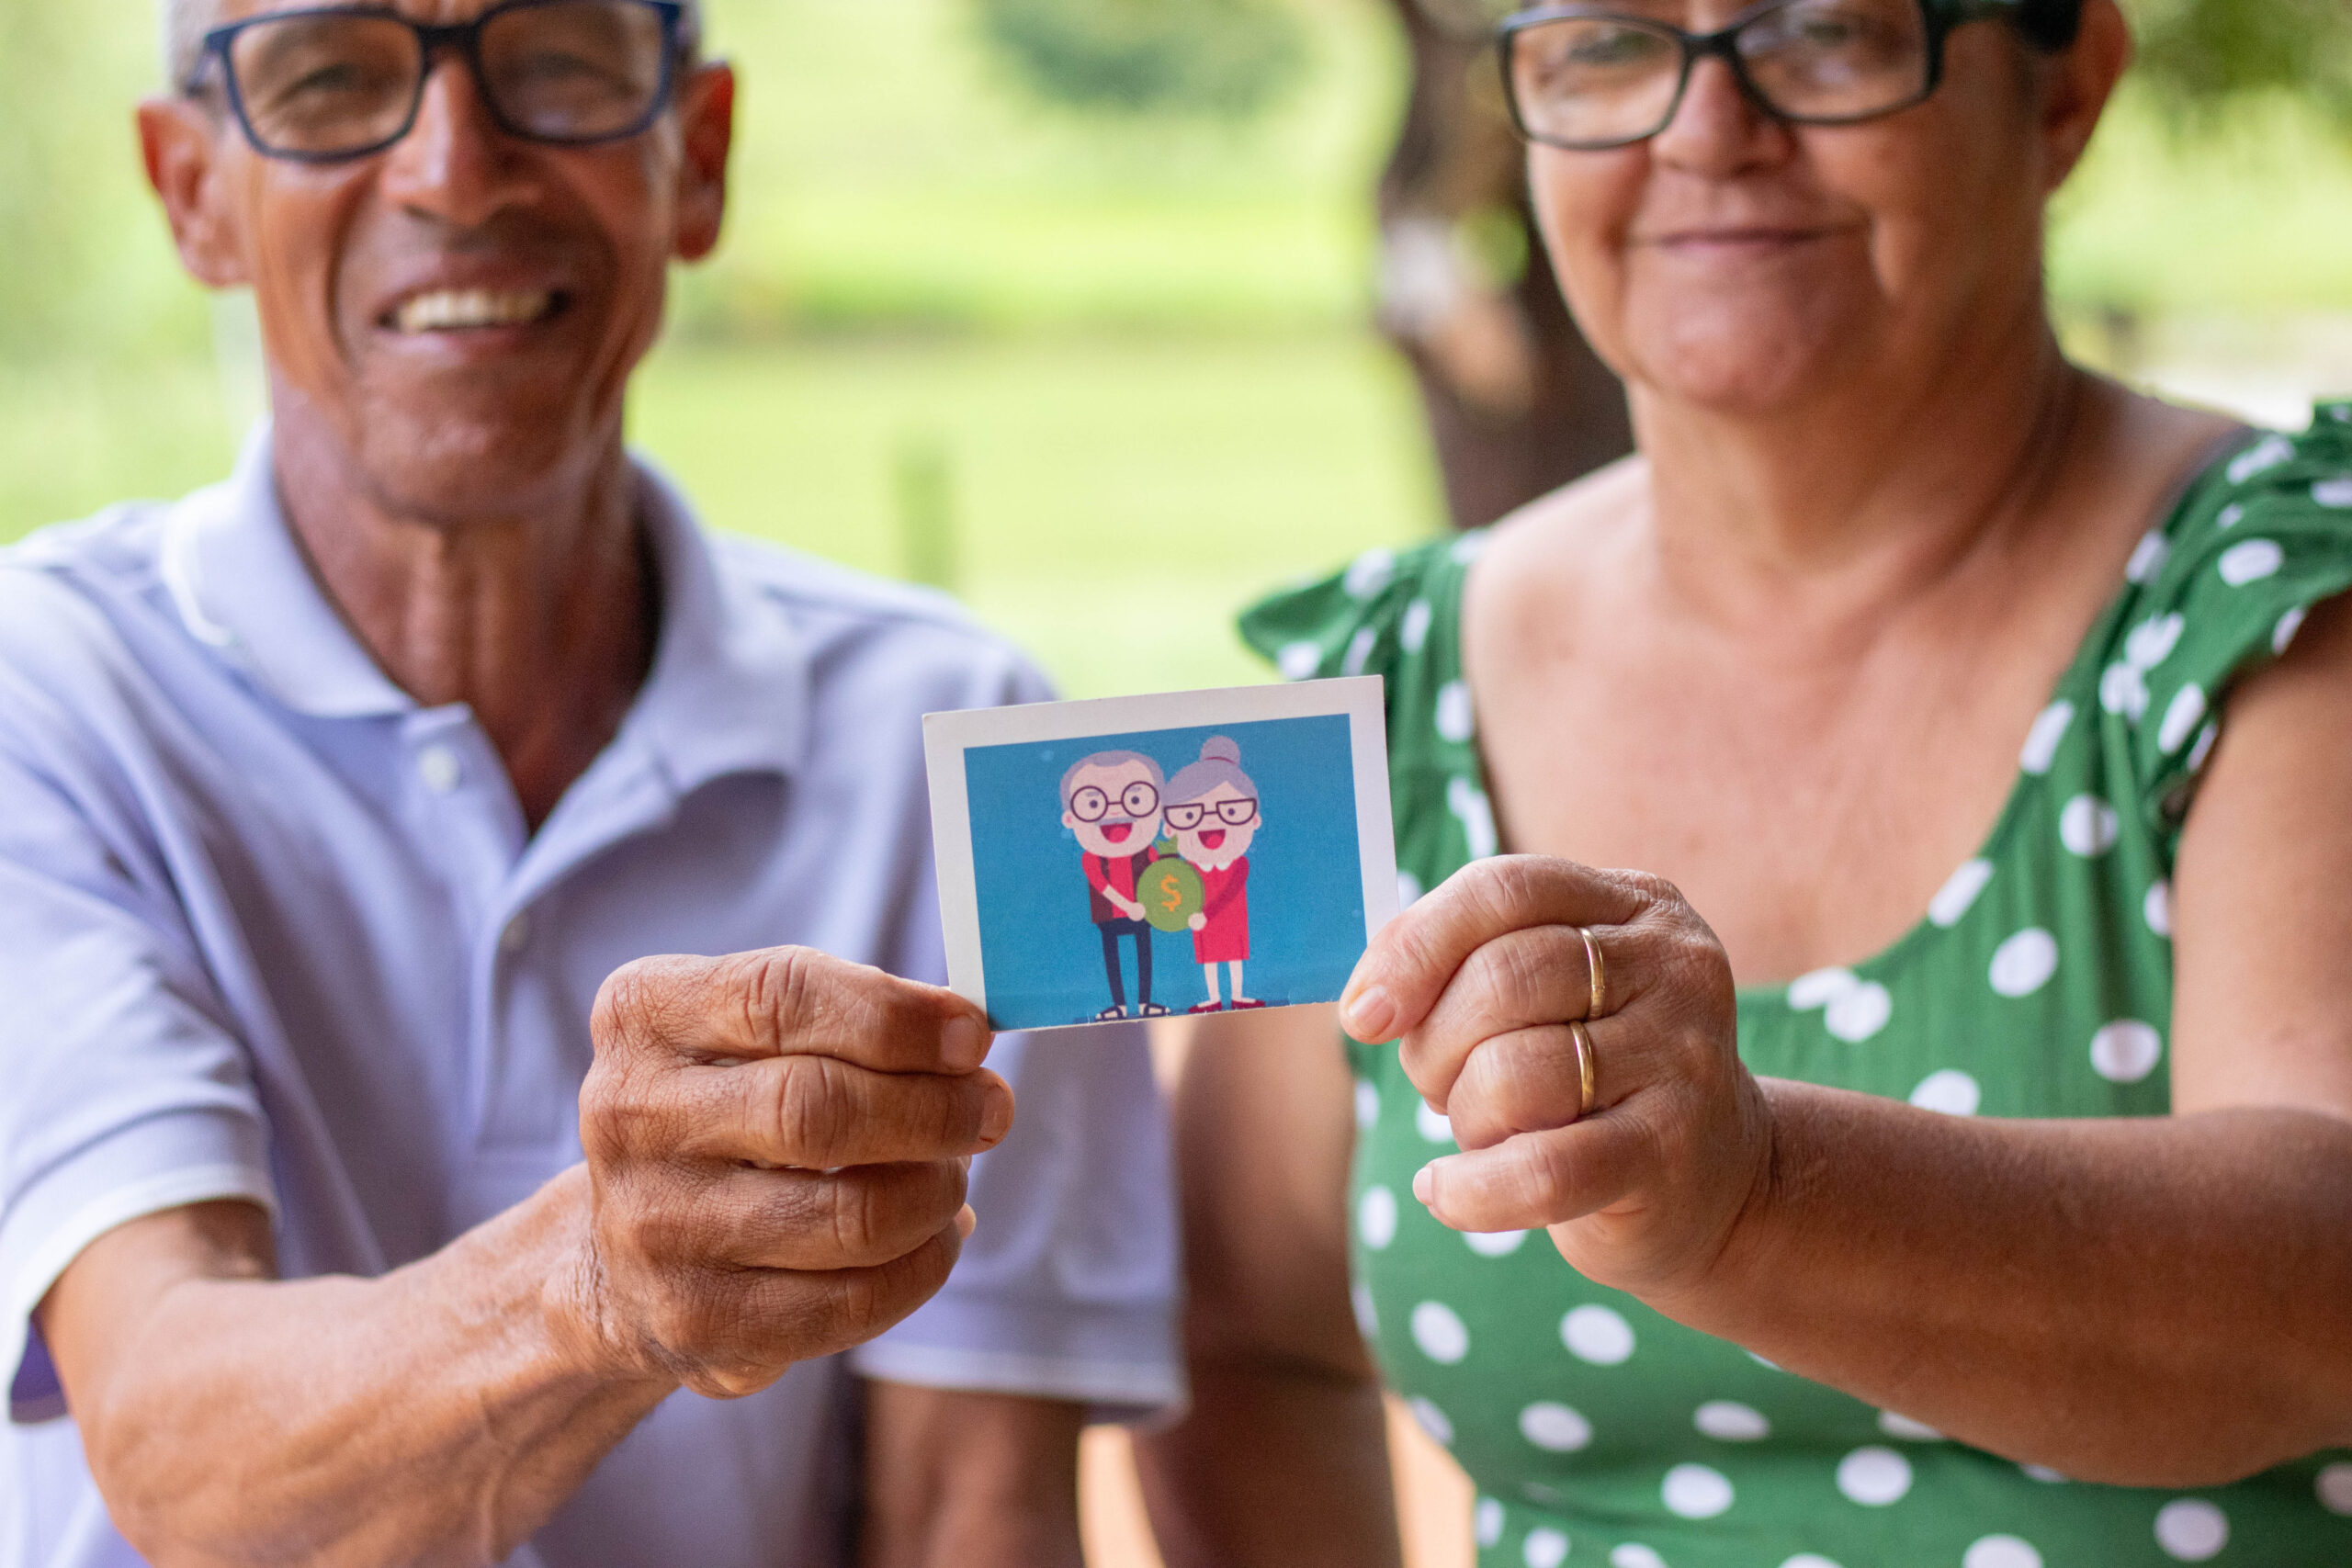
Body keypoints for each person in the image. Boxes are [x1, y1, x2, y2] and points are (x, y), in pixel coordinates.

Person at [1137, 0, 2352, 1563]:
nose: (1706, 128)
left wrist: (1756, 1195)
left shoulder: (2280, 596)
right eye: (1605, 47)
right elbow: (1256, 1343)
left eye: (1825, 35)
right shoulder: (1389, 684)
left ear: (2069, 89)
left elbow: (2325, 1265)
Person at [0, 2, 1180, 1564]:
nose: (453, 169)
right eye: (331, 77)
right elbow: (169, 1434)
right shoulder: (46, 694)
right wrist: (599, 1283)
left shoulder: (952, 734)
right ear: (192, 192)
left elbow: (970, 1512)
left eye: (552, 56)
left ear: (697, 158)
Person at [1062, 750, 1174, 1021]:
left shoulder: (1148, 852)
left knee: (1143, 954)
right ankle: (1119, 1006)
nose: (1114, 810)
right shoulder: (1091, 858)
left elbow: (1159, 879)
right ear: (1070, 819)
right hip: (1110, 915)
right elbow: (1101, 885)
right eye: (1093, 803)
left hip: (1142, 912)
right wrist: (1128, 905)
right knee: (1113, 958)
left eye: (1135, 799)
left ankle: (1145, 1002)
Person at [1164, 737, 1264, 1014]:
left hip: (1226, 917)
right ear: (1170, 827)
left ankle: (1237, 994)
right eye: (1190, 814)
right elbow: (1180, 889)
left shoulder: (1239, 865)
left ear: (1254, 819)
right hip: (1202, 921)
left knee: (1234, 958)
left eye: (1229, 810)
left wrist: (1205, 913)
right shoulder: (1192, 868)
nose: (1210, 820)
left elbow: (1231, 891)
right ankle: (1213, 997)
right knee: (1209, 959)